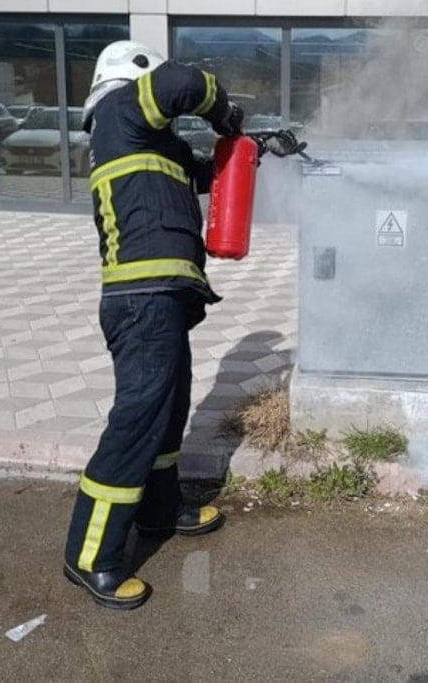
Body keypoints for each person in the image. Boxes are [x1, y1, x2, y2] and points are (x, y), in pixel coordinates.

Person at [62, 41, 293, 610]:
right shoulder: (119, 111)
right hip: (141, 299)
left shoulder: (149, 141)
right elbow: (184, 83)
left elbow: (205, 175)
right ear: (132, 79)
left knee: (167, 413)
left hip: (161, 298)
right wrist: (226, 113)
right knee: (137, 421)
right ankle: (90, 554)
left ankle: (161, 513)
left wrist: (250, 148)